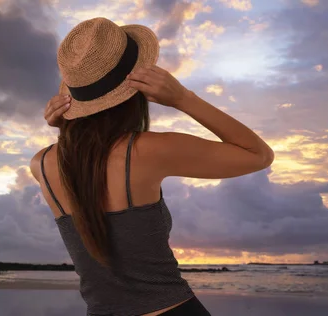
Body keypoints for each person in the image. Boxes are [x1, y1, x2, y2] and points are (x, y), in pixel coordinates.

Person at [30, 17, 274, 316]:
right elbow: (258, 154)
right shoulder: (147, 150)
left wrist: (65, 128)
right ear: (137, 88)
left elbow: (85, 163)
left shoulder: (41, 164)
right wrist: (184, 98)